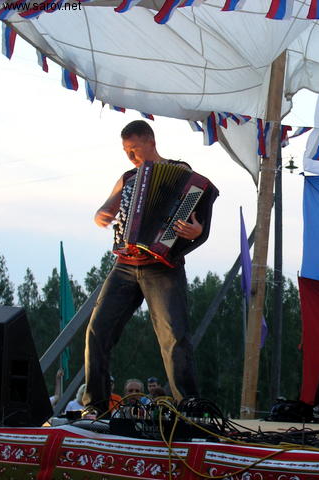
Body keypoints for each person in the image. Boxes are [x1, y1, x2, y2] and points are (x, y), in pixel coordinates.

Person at [83, 120, 204, 415]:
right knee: (97, 330)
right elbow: (105, 210)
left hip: (162, 265)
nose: (130, 157)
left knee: (174, 338)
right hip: (125, 264)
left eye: (135, 149)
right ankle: (95, 407)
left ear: (151, 143)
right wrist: (102, 215)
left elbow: (197, 219)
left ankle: (188, 409)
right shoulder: (127, 178)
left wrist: (197, 230)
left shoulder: (180, 171)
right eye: (126, 150)